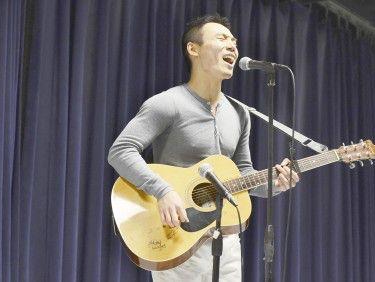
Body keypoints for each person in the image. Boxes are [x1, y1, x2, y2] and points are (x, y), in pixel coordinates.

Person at [108, 14, 299, 282]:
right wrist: (162, 190)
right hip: (177, 237)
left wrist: (274, 185)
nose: (232, 45)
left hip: (228, 242)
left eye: (234, 40)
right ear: (193, 49)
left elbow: (242, 174)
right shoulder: (167, 103)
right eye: (222, 38)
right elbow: (121, 151)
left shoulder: (240, 114)